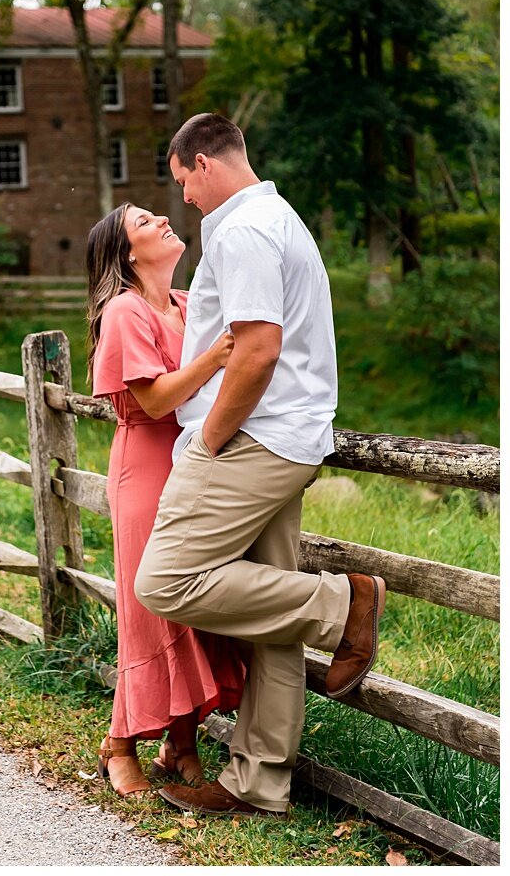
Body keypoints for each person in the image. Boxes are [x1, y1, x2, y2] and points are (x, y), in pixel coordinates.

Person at [133, 112, 386, 818]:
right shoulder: (279, 216)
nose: (184, 199)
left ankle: (344, 602)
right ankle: (259, 780)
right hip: (287, 434)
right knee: (271, 607)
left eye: (184, 182)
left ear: (205, 164)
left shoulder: (240, 227)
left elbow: (257, 348)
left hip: (252, 439)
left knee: (166, 578)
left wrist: (208, 438)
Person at [85, 202, 245, 796]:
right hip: (147, 468)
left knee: (188, 602)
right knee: (150, 611)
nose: (162, 221)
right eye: (145, 222)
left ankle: (180, 745)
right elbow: (153, 402)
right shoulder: (124, 311)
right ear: (128, 254)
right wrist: (214, 357)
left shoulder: (182, 305)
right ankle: (119, 742)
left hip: (193, 465)